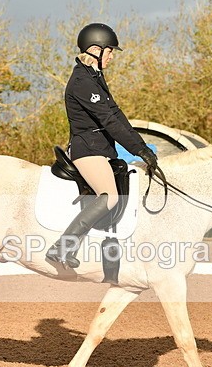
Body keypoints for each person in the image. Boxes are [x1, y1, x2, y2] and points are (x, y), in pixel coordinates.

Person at [46, 22, 160, 269]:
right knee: (109, 197)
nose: (111, 57)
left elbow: (116, 114)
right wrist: (138, 150)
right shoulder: (81, 82)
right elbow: (108, 121)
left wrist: (142, 147)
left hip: (99, 148)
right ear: (95, 50)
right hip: (87, 149)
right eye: (109, 52)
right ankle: (62, 247)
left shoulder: (94, 77)